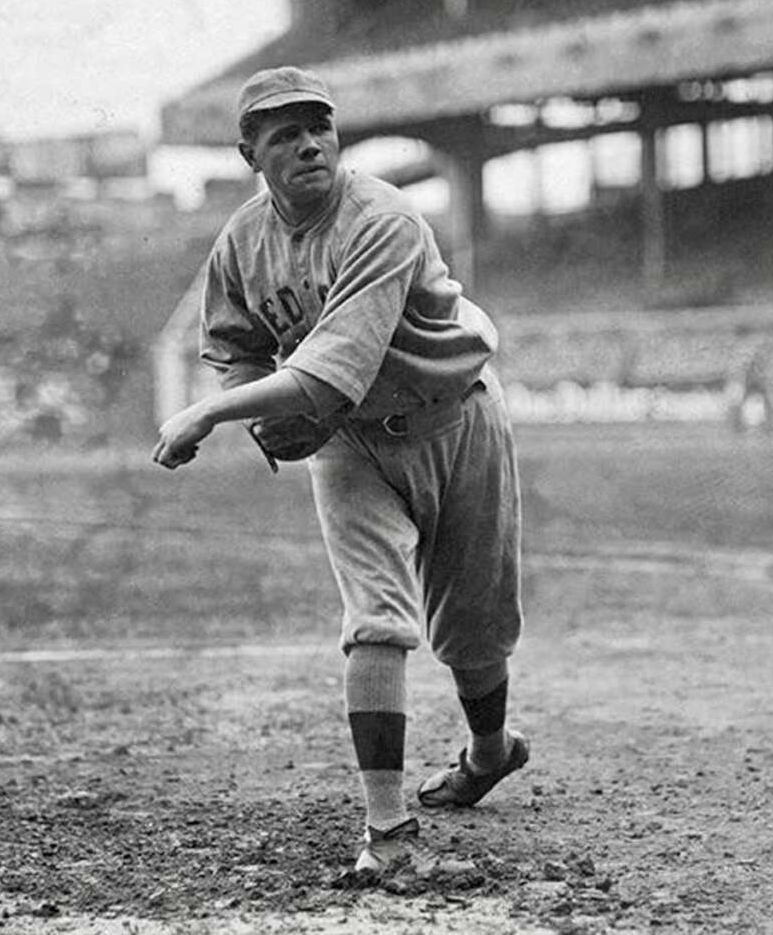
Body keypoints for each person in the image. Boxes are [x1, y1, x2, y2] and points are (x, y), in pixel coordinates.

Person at [152, 66, 528, 874]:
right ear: (250, 151)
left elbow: (328, 372)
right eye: (285, 132)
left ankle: (490, 751)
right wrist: (252, 405)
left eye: (319, 124)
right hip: (350, 441)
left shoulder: (382, 219)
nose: (310, 142)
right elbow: (230, 341)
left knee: (474, 629)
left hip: (455, 418)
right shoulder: (239, 244)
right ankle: (387, 835)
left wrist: (209, 414)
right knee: (376, 621)